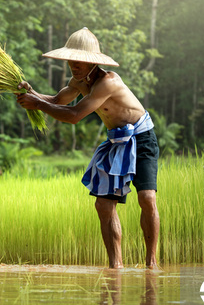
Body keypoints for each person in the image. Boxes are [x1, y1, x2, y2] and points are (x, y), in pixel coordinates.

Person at [16, 27, 160, 269]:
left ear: (92, 62)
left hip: (142, 137)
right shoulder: (77, 82)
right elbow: (56, 101)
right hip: (116, 141)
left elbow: (74, 115)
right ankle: (116, 267)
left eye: (80, 60)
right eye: (71, 59)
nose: (74, 64)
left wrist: (36, 104)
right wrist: (30, 94)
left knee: (146, 198)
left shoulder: (108, 82)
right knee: (103, 205)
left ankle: (151, 263)